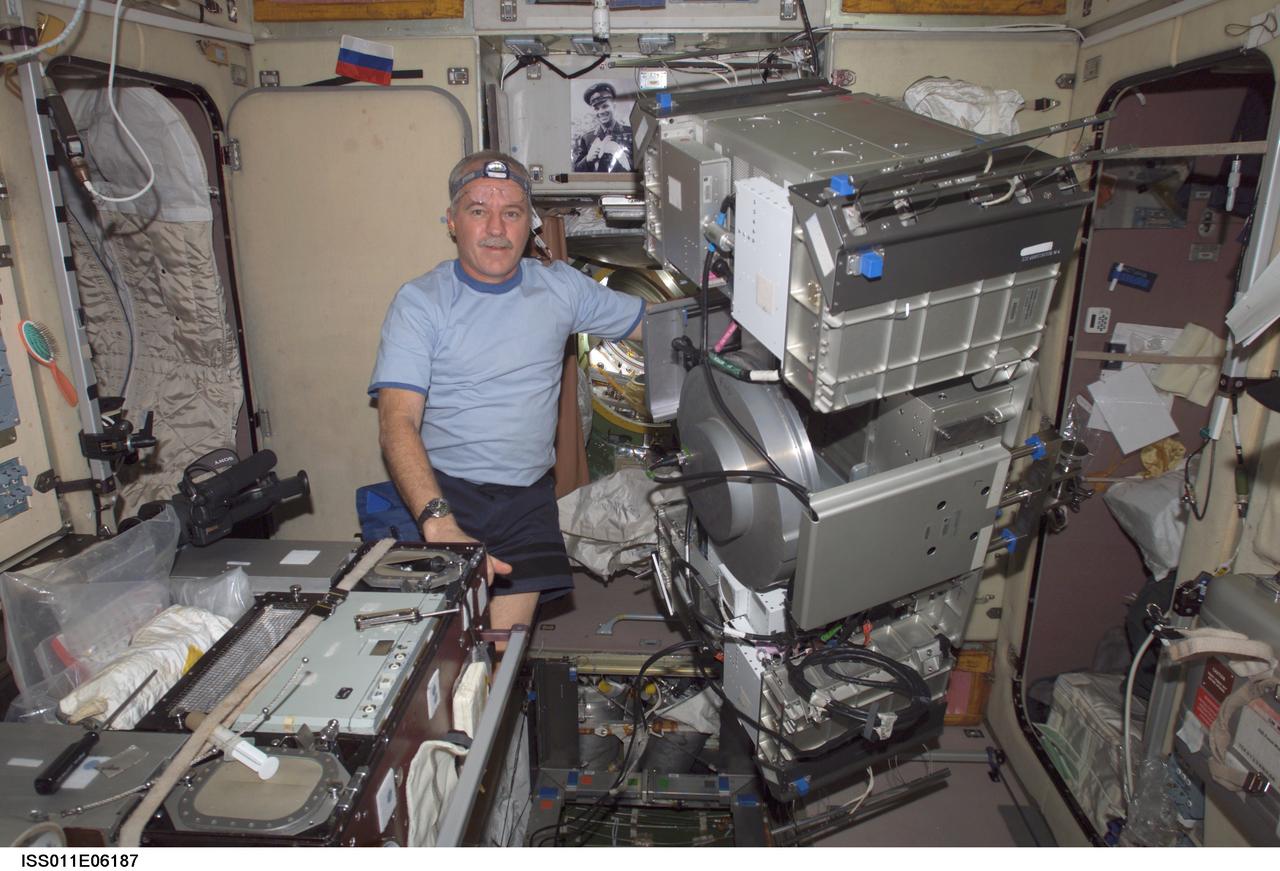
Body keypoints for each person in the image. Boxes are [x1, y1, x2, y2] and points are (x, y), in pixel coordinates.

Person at [369, 151, 645, 638]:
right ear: (452, 222)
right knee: (435, 650)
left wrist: (747, 312)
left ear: (528, 223)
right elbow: (397, 423)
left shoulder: (560, 288)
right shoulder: (421, 303)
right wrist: (437, 520)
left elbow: (658, 325)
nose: (496, 228)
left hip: (526, 500)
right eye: (478, 211)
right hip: (444, 492)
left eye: (512, 212)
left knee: (500, 651)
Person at [571, 82, 634, 173]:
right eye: (596, 108)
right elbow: (576, 171)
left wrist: (623, 157)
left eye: (605, 106)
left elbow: (641, 164)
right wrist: (587, 159)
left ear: (614, 106)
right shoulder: (587, 138)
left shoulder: (631, 132)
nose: (601, 111)